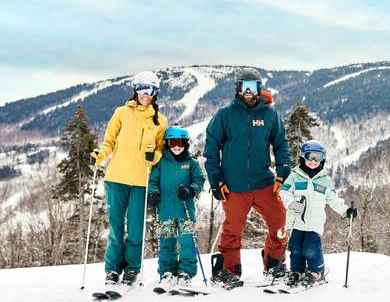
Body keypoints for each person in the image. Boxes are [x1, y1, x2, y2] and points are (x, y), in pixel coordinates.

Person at [203, 67, 291, 288]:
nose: (248, 91)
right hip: (234, 185)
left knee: (281, 221)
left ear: (259, 88)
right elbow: (211, 148)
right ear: (237, 89)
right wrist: (216, 180)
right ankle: (228, 271)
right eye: (244, 87)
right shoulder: (225, 114)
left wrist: (283, 172)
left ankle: (274, 264)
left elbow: (281, 144)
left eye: (252, 87)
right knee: (233, 228)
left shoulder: (269, 114)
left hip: (264, 181)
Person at [91, 71, 168, 286]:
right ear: (135, 89)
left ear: (156, 92)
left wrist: (156, 155)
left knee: (135, 228)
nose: (146, 93)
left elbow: (163, 150)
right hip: (116, 178)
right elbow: (109, 142)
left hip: (141, 182)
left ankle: (132, 268)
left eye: (150, 89)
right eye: (142, 88)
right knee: (116, 228)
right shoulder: (121, 113)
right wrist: (100, 155)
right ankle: (113, 270)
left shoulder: (160, 121)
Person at [279, 140, 357, 287]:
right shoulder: (295, 176)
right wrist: (291, 203)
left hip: (314, 223)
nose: (314, 161)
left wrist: (346, 211)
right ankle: (297, 271)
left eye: (318, 157)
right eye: (310, 157)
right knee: (295, 248)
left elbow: (333, 199)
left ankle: (316, 272)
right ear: (303, 157)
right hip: (296, 221)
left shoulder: (324, 180)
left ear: (323, 159)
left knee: (311, 248)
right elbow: (284, 192)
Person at [147, 126, 205, 288]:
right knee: (167, 242)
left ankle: (186, 271)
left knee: (187, 242)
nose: (176, 146)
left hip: (185, 210)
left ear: (186, 144)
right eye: (173, 142)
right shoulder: (160, 163)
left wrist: (191, 190)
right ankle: (167, 271)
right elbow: (153, 181)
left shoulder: (191, 163)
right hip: (165, 211)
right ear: (167, 143)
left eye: (180, 142)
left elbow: (199, 180)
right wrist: (153, 193)